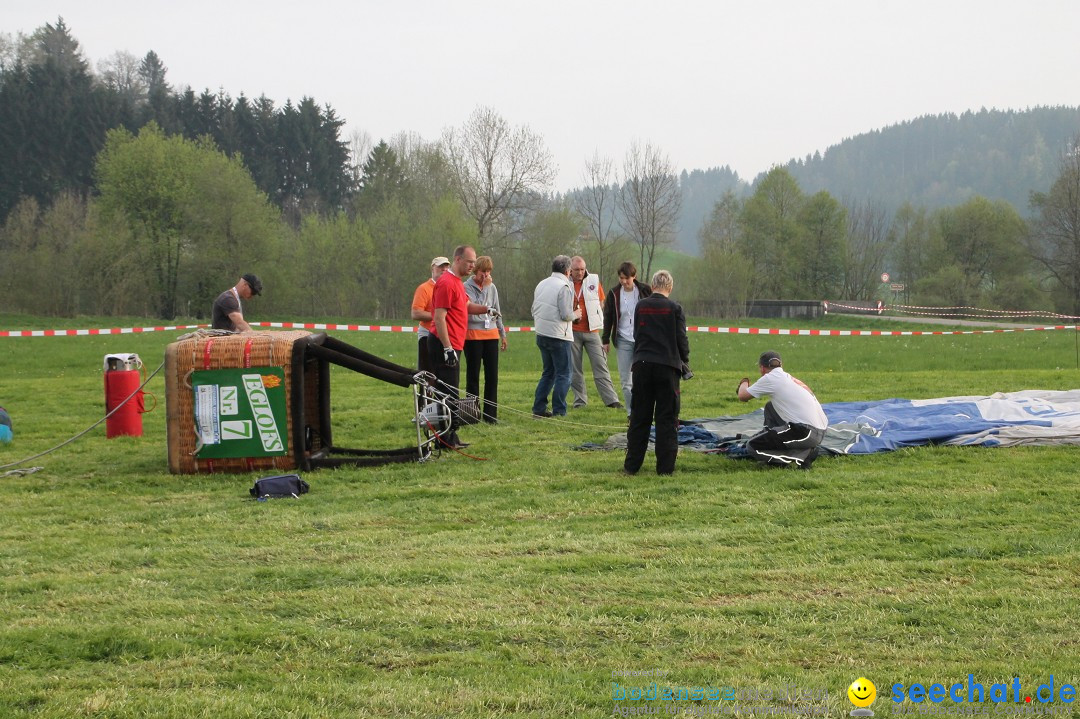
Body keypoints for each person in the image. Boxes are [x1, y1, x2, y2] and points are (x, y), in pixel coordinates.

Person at [624, 270, 690, 476]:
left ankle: (632, 466)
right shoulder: (675, 308)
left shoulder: (641, 306)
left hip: (642, 365)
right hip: (667, 367)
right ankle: (665, 469)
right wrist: (684, 360)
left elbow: (636, 335)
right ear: (669, 287)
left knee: (639, 417)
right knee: (667, 419)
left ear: (652, 286)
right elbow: (681, 340)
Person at [429, 245, 492, 449]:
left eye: (474, 262)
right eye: (469, 262)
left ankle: (451, 437)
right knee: (446, 393)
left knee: (452, 391)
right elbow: (439, 317)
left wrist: (487, 309)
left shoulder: (457, 283)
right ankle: (443, 440)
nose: (472, 266)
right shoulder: (446, 282)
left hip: (455, 343)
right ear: (457, 260)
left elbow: (465, 306)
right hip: (443, 344)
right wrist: (447, 348)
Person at [736, 350, 828, 469]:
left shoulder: (771, 378)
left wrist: (744, 382)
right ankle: (781, 454)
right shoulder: (788, 377)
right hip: (820, 430)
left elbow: (743, 396)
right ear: (781, 365)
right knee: (770, 407)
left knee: (753, 446)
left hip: (805, 432)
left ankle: (802, 456)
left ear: (762, 368)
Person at [568, 256, 622, 410]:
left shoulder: (593, 280)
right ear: (570, 270)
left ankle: (611, 400)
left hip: (592, 331)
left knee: (601, 365)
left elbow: (602, 301)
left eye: (582, 269)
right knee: (575, 369)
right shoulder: (565, 282)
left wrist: (595, 316)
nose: (580, 272)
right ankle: (580, 401)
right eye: (576, 270)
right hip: (572, 331)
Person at [601, 262, 652, 418]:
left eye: (627, 278)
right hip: (623, 339)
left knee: (644, 378)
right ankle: (632, 413)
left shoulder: (645, 290)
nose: (624, 281)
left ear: (634, 276)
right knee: (626, 381)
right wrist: (605, 339)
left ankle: (645, 411)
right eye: (621, 278)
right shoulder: (614, 293)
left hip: (642, 340)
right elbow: (608, 316)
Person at [531, 255, 579, 418]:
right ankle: (559, 410)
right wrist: (577, 313)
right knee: (564, 374)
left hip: (541, 333)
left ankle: (539, 408)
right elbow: (566, 315)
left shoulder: (541, 284)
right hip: (559, 336)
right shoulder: (563, 287)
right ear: (567, 270)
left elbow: (533, 309)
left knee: (548, 372)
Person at [464, 256, 507, 423]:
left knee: (492, 377)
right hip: (473, 336)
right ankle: (472, 415)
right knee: (473, 376)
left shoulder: (492, 287)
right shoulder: (465, 287)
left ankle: (490, 416)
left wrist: (502, 333)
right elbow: (478, 309)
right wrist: (485, 289)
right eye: (483, 272)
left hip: (491, 335)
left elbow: (496, 311)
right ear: (476, 271)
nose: (486, 275)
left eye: (488, 272)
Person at [412, 256, 451, 373]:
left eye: (446, 266)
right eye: (440, 266)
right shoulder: (424, 289)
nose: (444, 269)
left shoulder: (449, 287)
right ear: (433, 268)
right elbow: (415, 313)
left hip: (445, 336)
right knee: (427, 373)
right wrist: (439, 316)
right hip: (427, 335)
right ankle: (426, 392)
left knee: (444, 373)